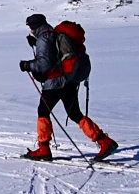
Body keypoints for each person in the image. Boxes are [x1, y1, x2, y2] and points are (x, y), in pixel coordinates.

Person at [19, 13, 118, 161]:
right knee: (74, 113)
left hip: (54, 83)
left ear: (34, 26)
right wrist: (35, 43)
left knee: (43, 112)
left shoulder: (43, 38)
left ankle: (44, 149)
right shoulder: (52, 33)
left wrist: (27, 65)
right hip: (70, 80)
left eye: (31, 27)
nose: (30, 30)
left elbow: (44, 64)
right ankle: (104, 141)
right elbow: (54, 53)